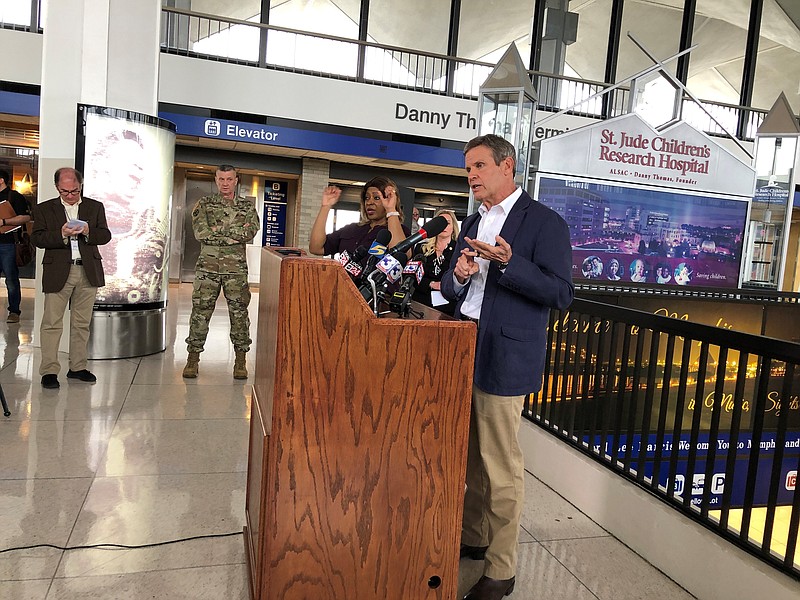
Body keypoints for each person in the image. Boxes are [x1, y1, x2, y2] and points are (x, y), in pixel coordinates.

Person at [441, 135, 573, 600]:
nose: (471, 175)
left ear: (506, 166)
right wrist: (456, 277)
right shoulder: (473, 221)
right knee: (471, 456)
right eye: (468, 168)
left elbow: (561, 294)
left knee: (500, 465)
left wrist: (510, 263)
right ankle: (474, 539)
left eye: (478, 165)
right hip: (466, 348)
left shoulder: (544, 223)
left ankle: (501, 568)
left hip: (507, 353)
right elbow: (452, 286)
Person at [32, 167, 112, 389]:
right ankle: (49, 371)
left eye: (74, 191)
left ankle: (77, 367)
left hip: (87, 271)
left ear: (81, 185)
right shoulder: (44, 209)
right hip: (58, 271)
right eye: (65, 191)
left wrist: (87, 231)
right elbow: (37, 238)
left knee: (81, 323)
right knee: (51, 323)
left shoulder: (94, 207)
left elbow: (105, 235)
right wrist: (61, 234)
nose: (70, 195)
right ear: (57, 187)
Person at [183, 165, 259, 380]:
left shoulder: (246, 206)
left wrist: (218, 232)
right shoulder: (204, 204)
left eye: (229, 179)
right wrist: (233, 235)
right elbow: (201, 233)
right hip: (207, 269)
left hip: (236, 271)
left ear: (236, 180)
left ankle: (241, 360)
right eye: (221, 179)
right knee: (200, 312)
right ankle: (192, 359)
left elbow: (250, 231)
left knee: (239, 314)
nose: (225, 183)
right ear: (216, 181)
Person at [308, 176, 409, 258]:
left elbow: (400, 256)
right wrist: (325, 207)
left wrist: (391, 209)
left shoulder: (401, 231)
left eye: (377, 198)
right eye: (367, 198)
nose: (369, 202)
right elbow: (316, 248)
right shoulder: (351, 229)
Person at [411, 209, 458, 315]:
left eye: (448, 223)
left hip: (447, 305)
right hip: (421, 302)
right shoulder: (421, 248)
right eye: (441, 223)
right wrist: (431, 284)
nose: (444, 226)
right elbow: (412, 276)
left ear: (453, 227)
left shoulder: (458, 250)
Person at [0, 168, 32, 323]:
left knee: (11, 279)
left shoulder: (15, 197)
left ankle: (14, 311)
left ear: (1, 180)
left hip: (9, 244)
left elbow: (25, 217)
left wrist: (4, 222)